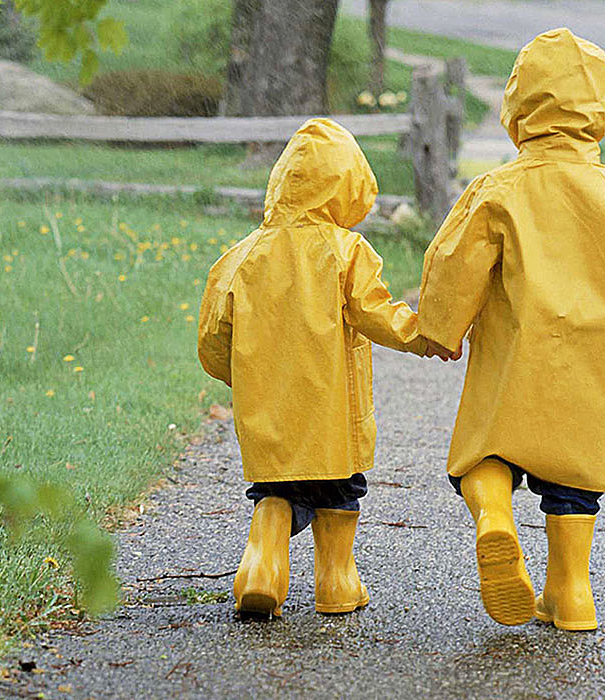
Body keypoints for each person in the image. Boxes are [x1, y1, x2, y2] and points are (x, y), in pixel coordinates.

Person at [417, 28, 605, 631]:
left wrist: (441, 327)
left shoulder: (497, 190)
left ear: (518, 106)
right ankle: (572, 593)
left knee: (483, 455)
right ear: (600, 109)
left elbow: (454, 261)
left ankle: (495, 520)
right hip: (588, 365)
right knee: (574, 480)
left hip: (513, 357)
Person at [198, 118, 453, 617]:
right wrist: (423, 336)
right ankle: (335, 584)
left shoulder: (242, 256)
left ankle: (261, 567)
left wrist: (244, 376)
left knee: (275, 490)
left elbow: (212, 336)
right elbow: (375, 311)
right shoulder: (345, 251)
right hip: (334, 412)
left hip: (269, 413)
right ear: (347, 186)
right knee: (339, 488)